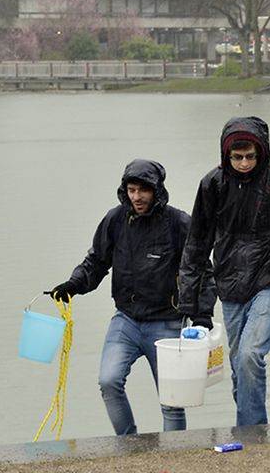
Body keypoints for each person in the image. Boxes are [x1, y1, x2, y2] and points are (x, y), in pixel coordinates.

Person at [178, 116, 270, 426]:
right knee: (237, 362)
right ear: (226, 155)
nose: (244, 163)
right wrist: (190, 301)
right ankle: (249, 422)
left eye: (250, 156)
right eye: (237, 157)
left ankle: (252, 431)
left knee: (249, 355)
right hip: (229, 284)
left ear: (261, 153)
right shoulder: (212, 184)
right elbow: (197, 244)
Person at [49, 159, 204, 435]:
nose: (137, 197)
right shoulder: (115, 220)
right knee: (108, 381)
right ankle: (129, 445)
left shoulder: (178, 223)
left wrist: (202, 314)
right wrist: (73, 284)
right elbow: (96, 262)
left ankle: (175, 455)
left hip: (168, 323)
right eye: (131, 190)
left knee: (172, 401)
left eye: (143, 191)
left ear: (157, 191)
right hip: (126, 321)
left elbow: (201, 270)